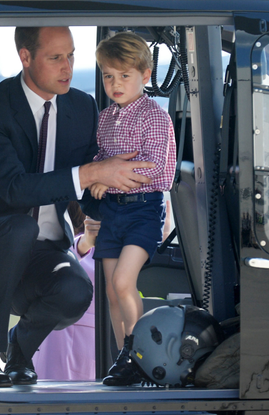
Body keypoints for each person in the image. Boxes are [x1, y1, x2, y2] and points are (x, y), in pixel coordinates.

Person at [0, 26, 156, 388]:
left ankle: (19, 351)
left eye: (71, 56)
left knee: (75, 291)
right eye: (55, 58)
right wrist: (92, 171)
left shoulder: (82, 107)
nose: (67, 67)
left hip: (44, 252)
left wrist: (124, 206)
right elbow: (15, 189)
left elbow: (86, 189)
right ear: (25, 57)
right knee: (20, 226)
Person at [90, 32, 177, 386]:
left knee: (125, 282)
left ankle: (137, 352)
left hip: (142, 211)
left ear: (144, 74)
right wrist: (97, 171)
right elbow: (100, 156)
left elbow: (159, 168)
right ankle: (122, 360)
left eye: (124, 75)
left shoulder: (154, 117)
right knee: (111, 289)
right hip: (111, 212)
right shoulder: (106, 117)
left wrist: (107, 177)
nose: (115, 83)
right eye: (108, 75)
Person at [32, 202, 100, 380]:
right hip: (57, 338)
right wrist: (84, 243)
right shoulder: (50, 227)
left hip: (95, 343)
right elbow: (55, 260)